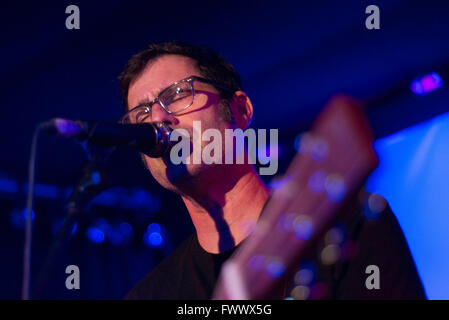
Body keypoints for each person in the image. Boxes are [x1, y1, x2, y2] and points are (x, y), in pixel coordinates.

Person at [118, 41, 426, 300]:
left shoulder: (351, 225)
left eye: (176, 95)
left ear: (239, 110)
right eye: (140, 116)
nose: (158, 119)